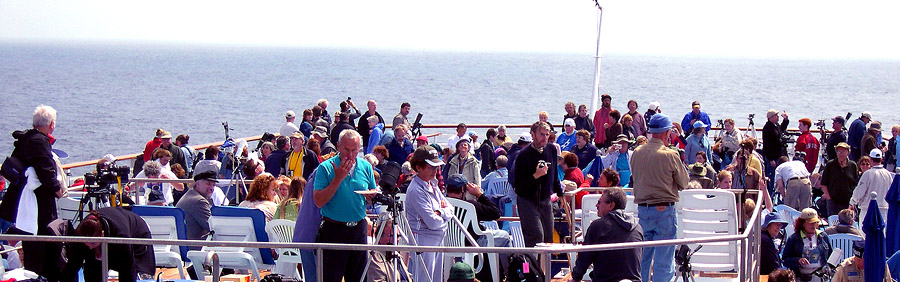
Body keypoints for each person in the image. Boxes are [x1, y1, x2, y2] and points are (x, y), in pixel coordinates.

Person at [631, 113, 690, 282]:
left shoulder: (637, 152)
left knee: (642, 260)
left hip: (643, 211)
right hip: (664, 211)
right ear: (667, 132)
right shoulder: (670, 155)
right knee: (663, 262)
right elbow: (684, 183)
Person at [313, 130, 377, 282]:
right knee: (330, 278)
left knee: (358, 277)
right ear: (338, 147)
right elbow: (318, 201)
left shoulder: (366, 167)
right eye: (346, 149)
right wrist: (338, 178)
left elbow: (372, 196)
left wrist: (371, 196)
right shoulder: (326, 168)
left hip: (358, 229)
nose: (350, 154)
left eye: (354, 150)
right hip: (334, 229)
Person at [445, 174, 511, 282]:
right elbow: (495, 213)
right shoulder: (470, 206)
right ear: (463, 189)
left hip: (450, 244)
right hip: (474, 243)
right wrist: (479, 194)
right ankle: (508, 275)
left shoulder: (442, 205)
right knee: (505, 237)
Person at [62, 207, 155, 282]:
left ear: (102, 234)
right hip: (107, 238)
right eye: (86, 243)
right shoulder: (79, 236)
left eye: (92, 243)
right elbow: (72, 266)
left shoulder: (121, 236)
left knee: (131, 269)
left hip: (135, 233)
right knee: (92, 270)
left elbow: (128, 270)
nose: (89, 246)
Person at [571, 187, 643, 282]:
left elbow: (584, 258)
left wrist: (576, 278)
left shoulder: (597, 227)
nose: (596, 205)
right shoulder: (637, 228)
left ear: (611, 205)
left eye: (599, 202)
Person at [405, 145, 453, 282]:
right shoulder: (415, 190)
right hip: (423, 240)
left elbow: (451, 209)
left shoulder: (432, 184)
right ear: (419, 167)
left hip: (436, 238)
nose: (435, 170)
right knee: (424, 278)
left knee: (436, 278)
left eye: (436, 167)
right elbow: (432, 222)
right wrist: (444, 214)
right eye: (431, 167)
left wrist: (440, 212)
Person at [513, 121, 562, 247]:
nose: (544, 138)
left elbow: (554, 174)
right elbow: (518, 186)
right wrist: (536, 175)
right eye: (541, 134)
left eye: (547, 135)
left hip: (545, 200)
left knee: (548, 238)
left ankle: (545, 267)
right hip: (527, 201)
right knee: (536, 236)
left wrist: (560, 194)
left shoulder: (551, 149)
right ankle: (532, 266)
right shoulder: (523, 155)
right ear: (533, 134)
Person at [782, 208, 833, 282]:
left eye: (815, 222)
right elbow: (785, 260)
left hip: (819, 277)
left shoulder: (823, 236)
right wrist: (798, 260)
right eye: (811, 223)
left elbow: (830, 257)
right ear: (803, 223)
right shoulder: (794, 239)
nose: (813, 225)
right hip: (800, 277)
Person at [850, 148, 893, 221]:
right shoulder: (888, 174)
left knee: (864, 232)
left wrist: (852, 202)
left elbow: (859, 192)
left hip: (868, 209)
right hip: (884, 210)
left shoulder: (867, 174)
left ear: (870, 159)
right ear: (881, 159)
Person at [821, 142, 859, 217]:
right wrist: (829, 198)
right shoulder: (830, 165)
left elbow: (856, 184)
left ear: (848, 153)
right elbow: (824, 183)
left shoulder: (853, 165)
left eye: (843, 151)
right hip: (833, 201)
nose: (841, 154)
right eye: (839, 151)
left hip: (847, 201)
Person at [763, 109, 790, 193]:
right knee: (772, 178)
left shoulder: (776, 125)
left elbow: (781, 129)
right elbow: (767, 145)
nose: (778, 117)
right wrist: (770, 159)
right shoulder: (767, 128)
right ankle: (770, 196)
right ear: (771, 118)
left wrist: (785, 120)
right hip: (773, 157)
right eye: (776, 116)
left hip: (779, 155)